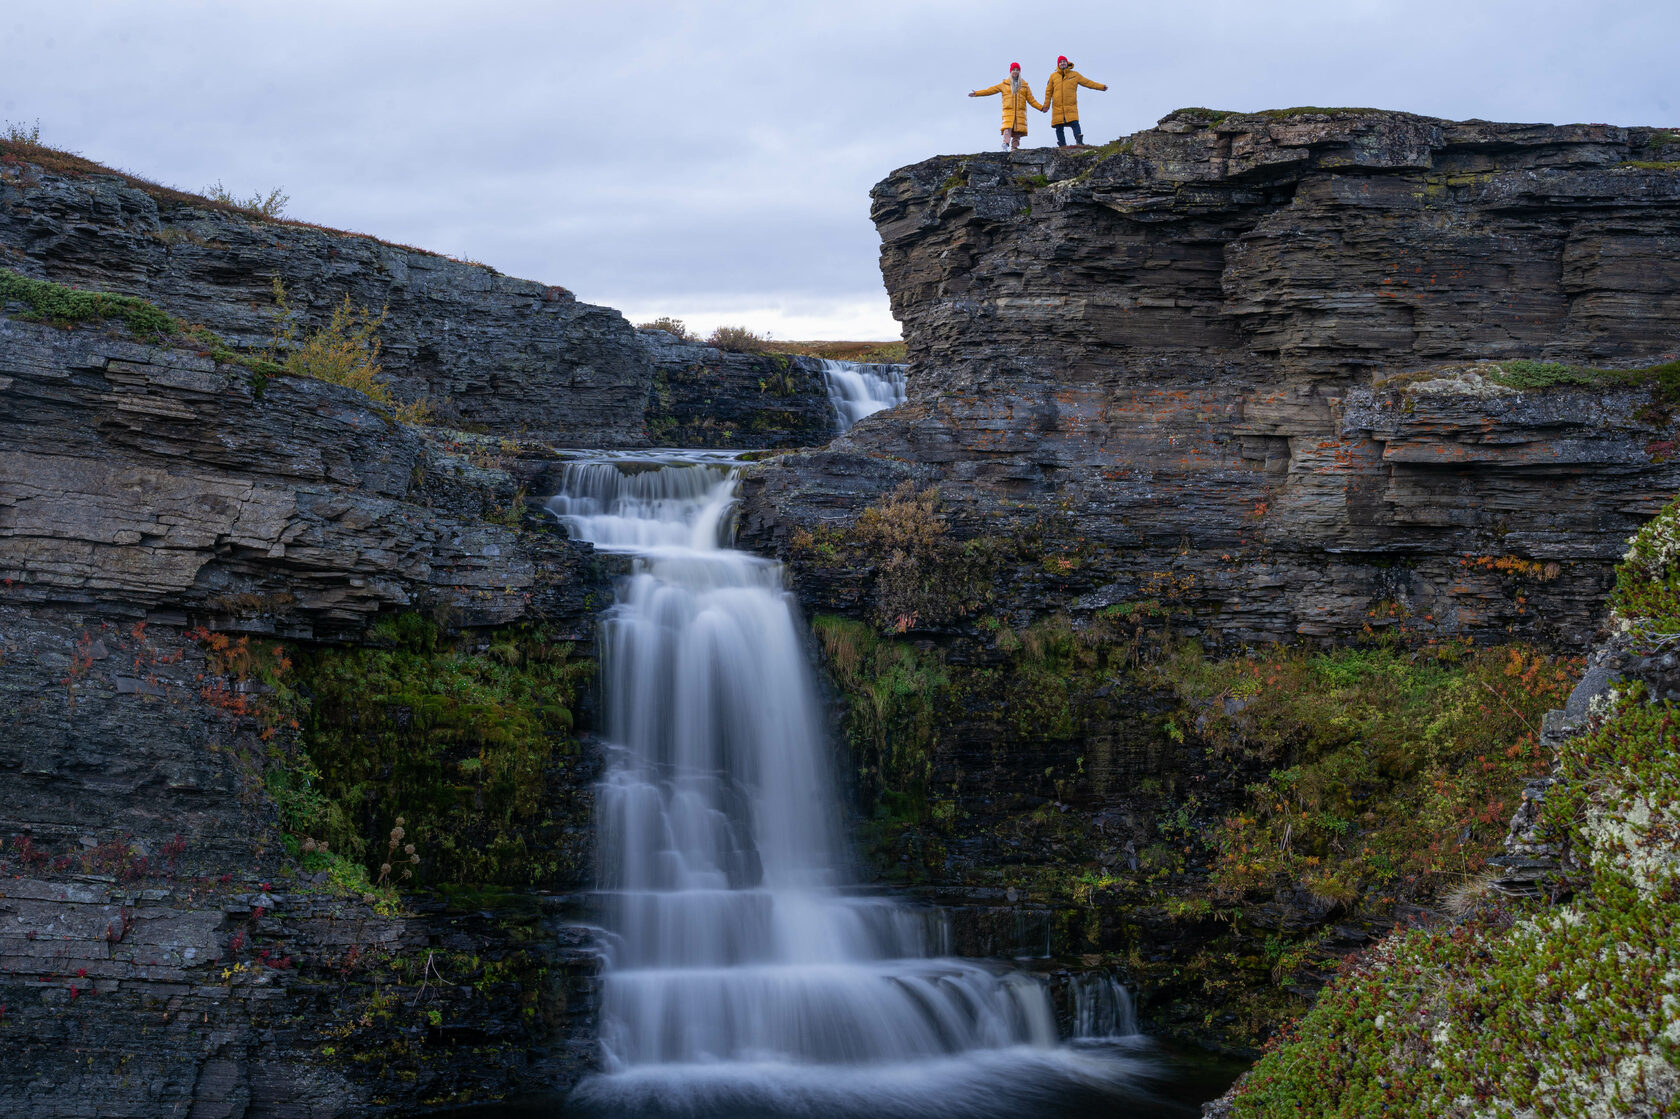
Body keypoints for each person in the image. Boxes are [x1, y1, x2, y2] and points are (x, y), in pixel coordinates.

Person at [969, 63, 1044, 152]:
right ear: (1010, 71)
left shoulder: (1025, 86)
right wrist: (977, 93)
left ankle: (1014, 148)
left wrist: (1041, 108)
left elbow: (1032, 100)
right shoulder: (1004, 84)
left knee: (1017, 132)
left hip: (1020, 114)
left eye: (1017, 70)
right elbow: (990, 90)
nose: (1015, 71)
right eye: (1014, 70)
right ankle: (1005, 144)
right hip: (1008, 112)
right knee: (1007, 129)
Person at [1042, 56, 1107, 147]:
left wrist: (1101, 87)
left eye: (1064, 61)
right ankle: (1062, 145)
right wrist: (1046, 105)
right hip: (1057, 107)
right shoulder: (1053, 76)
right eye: (1060, 62)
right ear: (1058, 64)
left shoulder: (1075, 75)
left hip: (1070, 106)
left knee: (1075, 124)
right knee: (1058, 127)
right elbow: (1048, 92)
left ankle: (1079, 142)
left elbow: (1087, 82)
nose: (1062, 63)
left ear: (1067, 63)